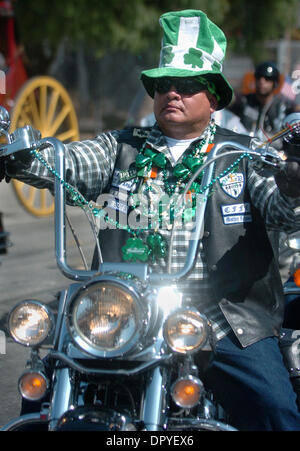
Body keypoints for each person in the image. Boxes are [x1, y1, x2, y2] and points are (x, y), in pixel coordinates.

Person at [1, 9, 300, 431]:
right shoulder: (121, 146)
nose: (172, 93)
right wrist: (23, 157)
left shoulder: (242, 154)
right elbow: (67, 161)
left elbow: (281, 210)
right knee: (44, 387)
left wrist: (293, 184)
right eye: (163, 84)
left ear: (213, 97)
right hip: (123, 312)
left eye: (187, 85)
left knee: (276, 410)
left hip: (223, 317)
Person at [230, 61, 297, 142]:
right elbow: (229, 98)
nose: (262, 81)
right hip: (245, 149)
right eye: (259, 77)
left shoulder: (284, 105)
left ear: (275, 83)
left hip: (274, 151)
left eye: (267, 79)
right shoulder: (245, 101)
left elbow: (297, 111)